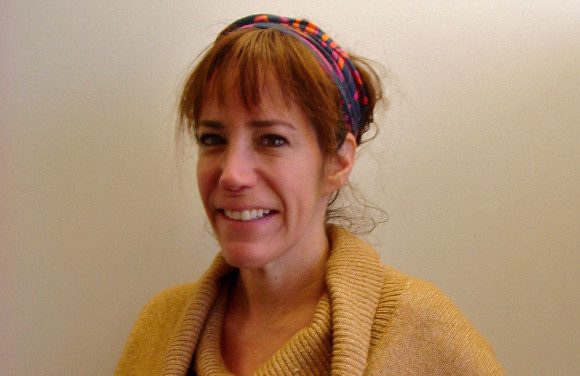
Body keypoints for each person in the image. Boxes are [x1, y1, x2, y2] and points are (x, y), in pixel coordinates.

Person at [115, 14, 504, 375]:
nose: (232, 174)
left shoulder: (419, 332)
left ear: (337, 162)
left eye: (272, 139)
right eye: (212, 139)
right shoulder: (159, 326)